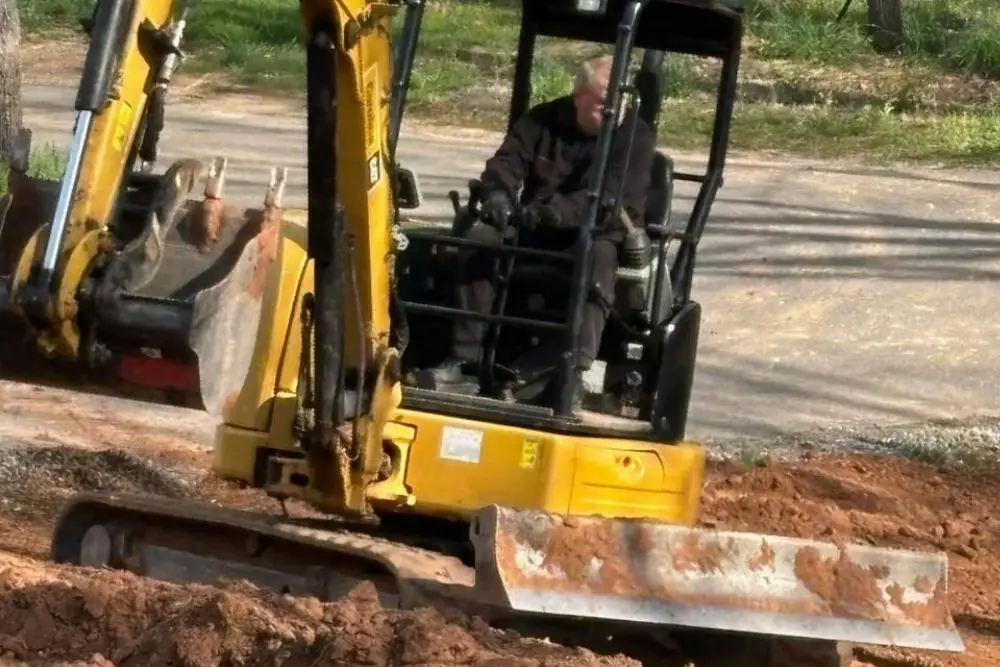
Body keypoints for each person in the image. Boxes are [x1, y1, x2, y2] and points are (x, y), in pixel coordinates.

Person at [417, 54, 657, 409]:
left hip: (592, 234)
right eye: (604, 100)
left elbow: (611, 199)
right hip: (531, 227)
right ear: (579, 95)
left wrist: (552, 214)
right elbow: (507, 161)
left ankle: (571, 374)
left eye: (620, 99)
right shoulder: (542, 120)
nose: (613, 109)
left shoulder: (635, 136)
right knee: (480, 238)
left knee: (599, 253)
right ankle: (463, 363)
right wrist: (498, 194)